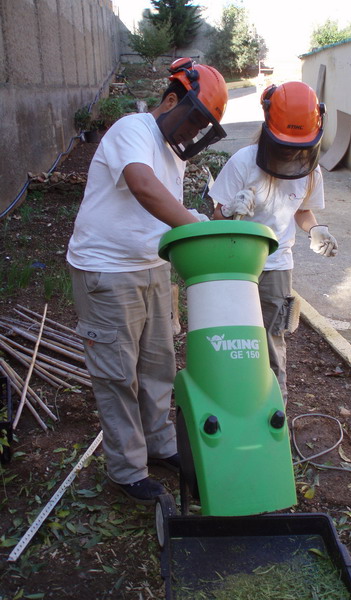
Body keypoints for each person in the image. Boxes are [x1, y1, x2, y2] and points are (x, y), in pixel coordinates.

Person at [67, 58, 228, 504]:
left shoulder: (172, 152)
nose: (191, 134)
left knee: (157, 366)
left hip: (151, 267)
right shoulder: (133, 129)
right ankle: (127, 470)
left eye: (201, 128)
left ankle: (159, 444)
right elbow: (142, 186)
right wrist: (196, 227)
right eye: (193, 120)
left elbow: (158, 214)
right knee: (118, 375)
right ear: (172, 101)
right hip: (107, 271)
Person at [210, 81, 337, 403]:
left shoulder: (311, 171)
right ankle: (231, 396)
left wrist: (315, 229)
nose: (292, 152)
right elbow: (215, 219)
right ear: (269, 129)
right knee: (232, 336)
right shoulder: (243, 162)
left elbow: (303, 210)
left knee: (272, 336)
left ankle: (273, 406)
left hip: (278, 265)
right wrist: (228, 208)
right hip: (235, 263)